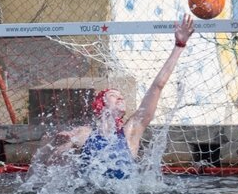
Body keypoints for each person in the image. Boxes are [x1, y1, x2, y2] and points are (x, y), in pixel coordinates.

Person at [51, 14, 195, 179]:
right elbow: (54, 161)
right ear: (101, 105)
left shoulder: (131, 132)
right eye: (113, 95)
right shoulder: (84, 134)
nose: (121, 98)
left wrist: (180, 45)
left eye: (121, 96)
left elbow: (157, 86)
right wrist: (60, 144)